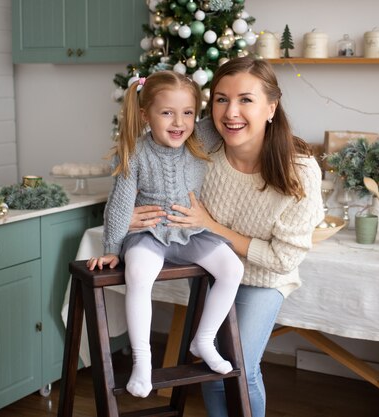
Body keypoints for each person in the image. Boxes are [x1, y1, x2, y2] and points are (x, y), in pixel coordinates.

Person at [130, 57, 324, 417]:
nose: (231, 112)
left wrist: (212, 226)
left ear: (271, 106)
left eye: (245, 100)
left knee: (240, 368)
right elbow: (145, 165)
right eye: (221, 99)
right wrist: (128, 217)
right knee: (212, 374)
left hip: (263, 278)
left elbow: (283, 259)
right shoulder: (201, 144)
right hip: (209, 271)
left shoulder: (299, 170)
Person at [87, 71, 243, 399]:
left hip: (190, 231)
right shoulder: (134, 152)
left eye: (187, 113)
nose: (178, 123)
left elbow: (230, 119)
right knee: (139, 273)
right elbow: (119, 205)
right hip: (149, 234)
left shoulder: (201, 138)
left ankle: (204, 338)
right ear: (146, 115)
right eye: (167, 113)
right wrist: (113, 247)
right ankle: (143, 362)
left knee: (232, 269)